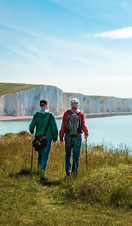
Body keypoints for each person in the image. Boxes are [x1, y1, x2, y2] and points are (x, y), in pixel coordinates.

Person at [59, 98, 89, 176]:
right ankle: (74, 172)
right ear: (77, 105)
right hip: (77, 137)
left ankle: (68, 172)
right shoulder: (81, 113)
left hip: (68, 137)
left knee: (68, 154)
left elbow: (63, 127)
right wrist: (86, 133)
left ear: (71, 105)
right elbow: (84, 126)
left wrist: (61, 138)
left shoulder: (66, 113)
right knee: (76, 156)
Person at [29, 99, 58, 178]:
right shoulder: (51, 115)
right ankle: (41, 174)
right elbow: (54, 128)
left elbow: (31, 127)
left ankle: (38, 171)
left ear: (40, 106)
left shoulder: (36, 115)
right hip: (47, 139)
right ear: (46, 105)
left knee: (40, 155)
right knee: (45, 156)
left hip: (38, 138)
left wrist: (32, 132)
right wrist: (55, 139)